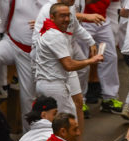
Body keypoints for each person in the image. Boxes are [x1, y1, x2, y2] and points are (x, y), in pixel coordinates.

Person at [34, 2, 104, 130]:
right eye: (62, 16)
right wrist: (91, 61)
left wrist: (90, 41)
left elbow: (76, 27)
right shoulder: (55, 35)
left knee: (69, 114)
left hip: (55, 80)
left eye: (68, 16)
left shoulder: (56, 30)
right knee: (64, 123)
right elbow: (69, 65)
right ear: (52, 17)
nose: (67, 19)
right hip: (53, 84)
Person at [0, 0, 40, 130]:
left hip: (31, 53)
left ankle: (29, 135)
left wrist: (44, 24)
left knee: (27, 99)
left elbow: (59, 16)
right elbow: (4, 12)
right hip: (11, 42)